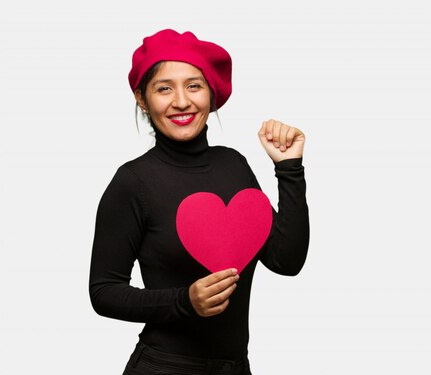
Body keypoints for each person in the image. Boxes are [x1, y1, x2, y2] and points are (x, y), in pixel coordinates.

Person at [89, 29, 309, 375]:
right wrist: (184, 301)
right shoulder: (133, 182)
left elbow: (286, 260)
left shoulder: (233, 165)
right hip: (164, 367)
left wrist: (289, 169)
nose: (181, 101)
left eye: (194, 85)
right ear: (142, 99)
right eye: (164, 88)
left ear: (212, 94)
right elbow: (103, 292)